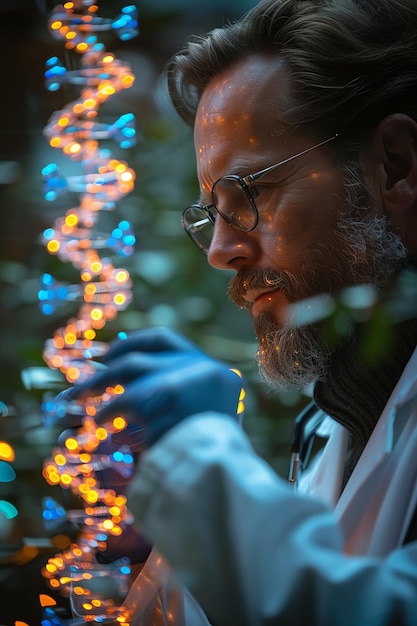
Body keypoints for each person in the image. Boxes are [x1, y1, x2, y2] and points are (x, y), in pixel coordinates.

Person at [61, 0, 417, 624]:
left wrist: (201, 472)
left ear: (396, 167)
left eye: (248, 194)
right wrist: (166, 549)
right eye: (210, 214)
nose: (223, 253)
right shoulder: (331, 423)